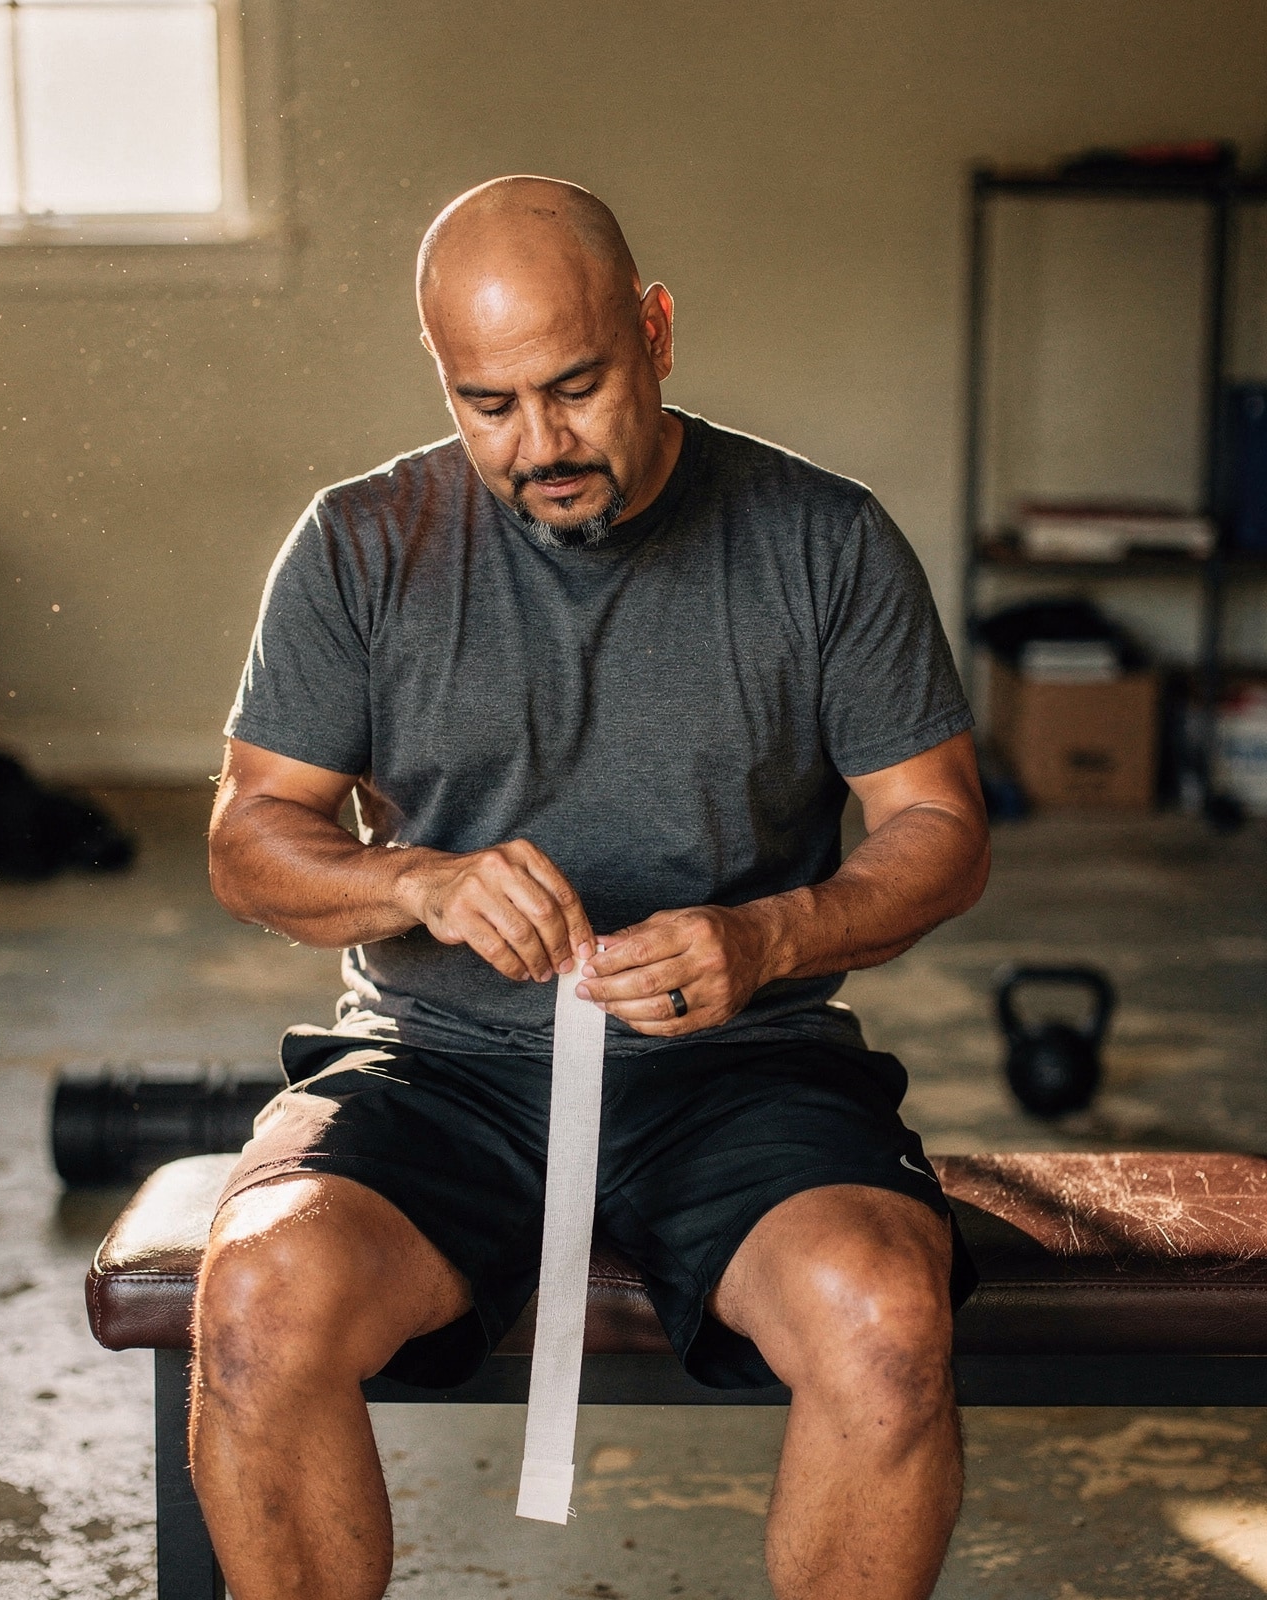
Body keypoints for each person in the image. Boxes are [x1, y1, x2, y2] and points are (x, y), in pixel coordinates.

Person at [193, 175, 990, 1600]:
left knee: (883, 1321)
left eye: (576, 387)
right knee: (258, 1299)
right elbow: (253, 836)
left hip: (741, 1063)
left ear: (659, 330)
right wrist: (418, 886)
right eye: (488, 405)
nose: (541, 446)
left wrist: (773, 932)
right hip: (437, 1068)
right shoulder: (359, 545)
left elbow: (940, 825)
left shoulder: (823, 541)